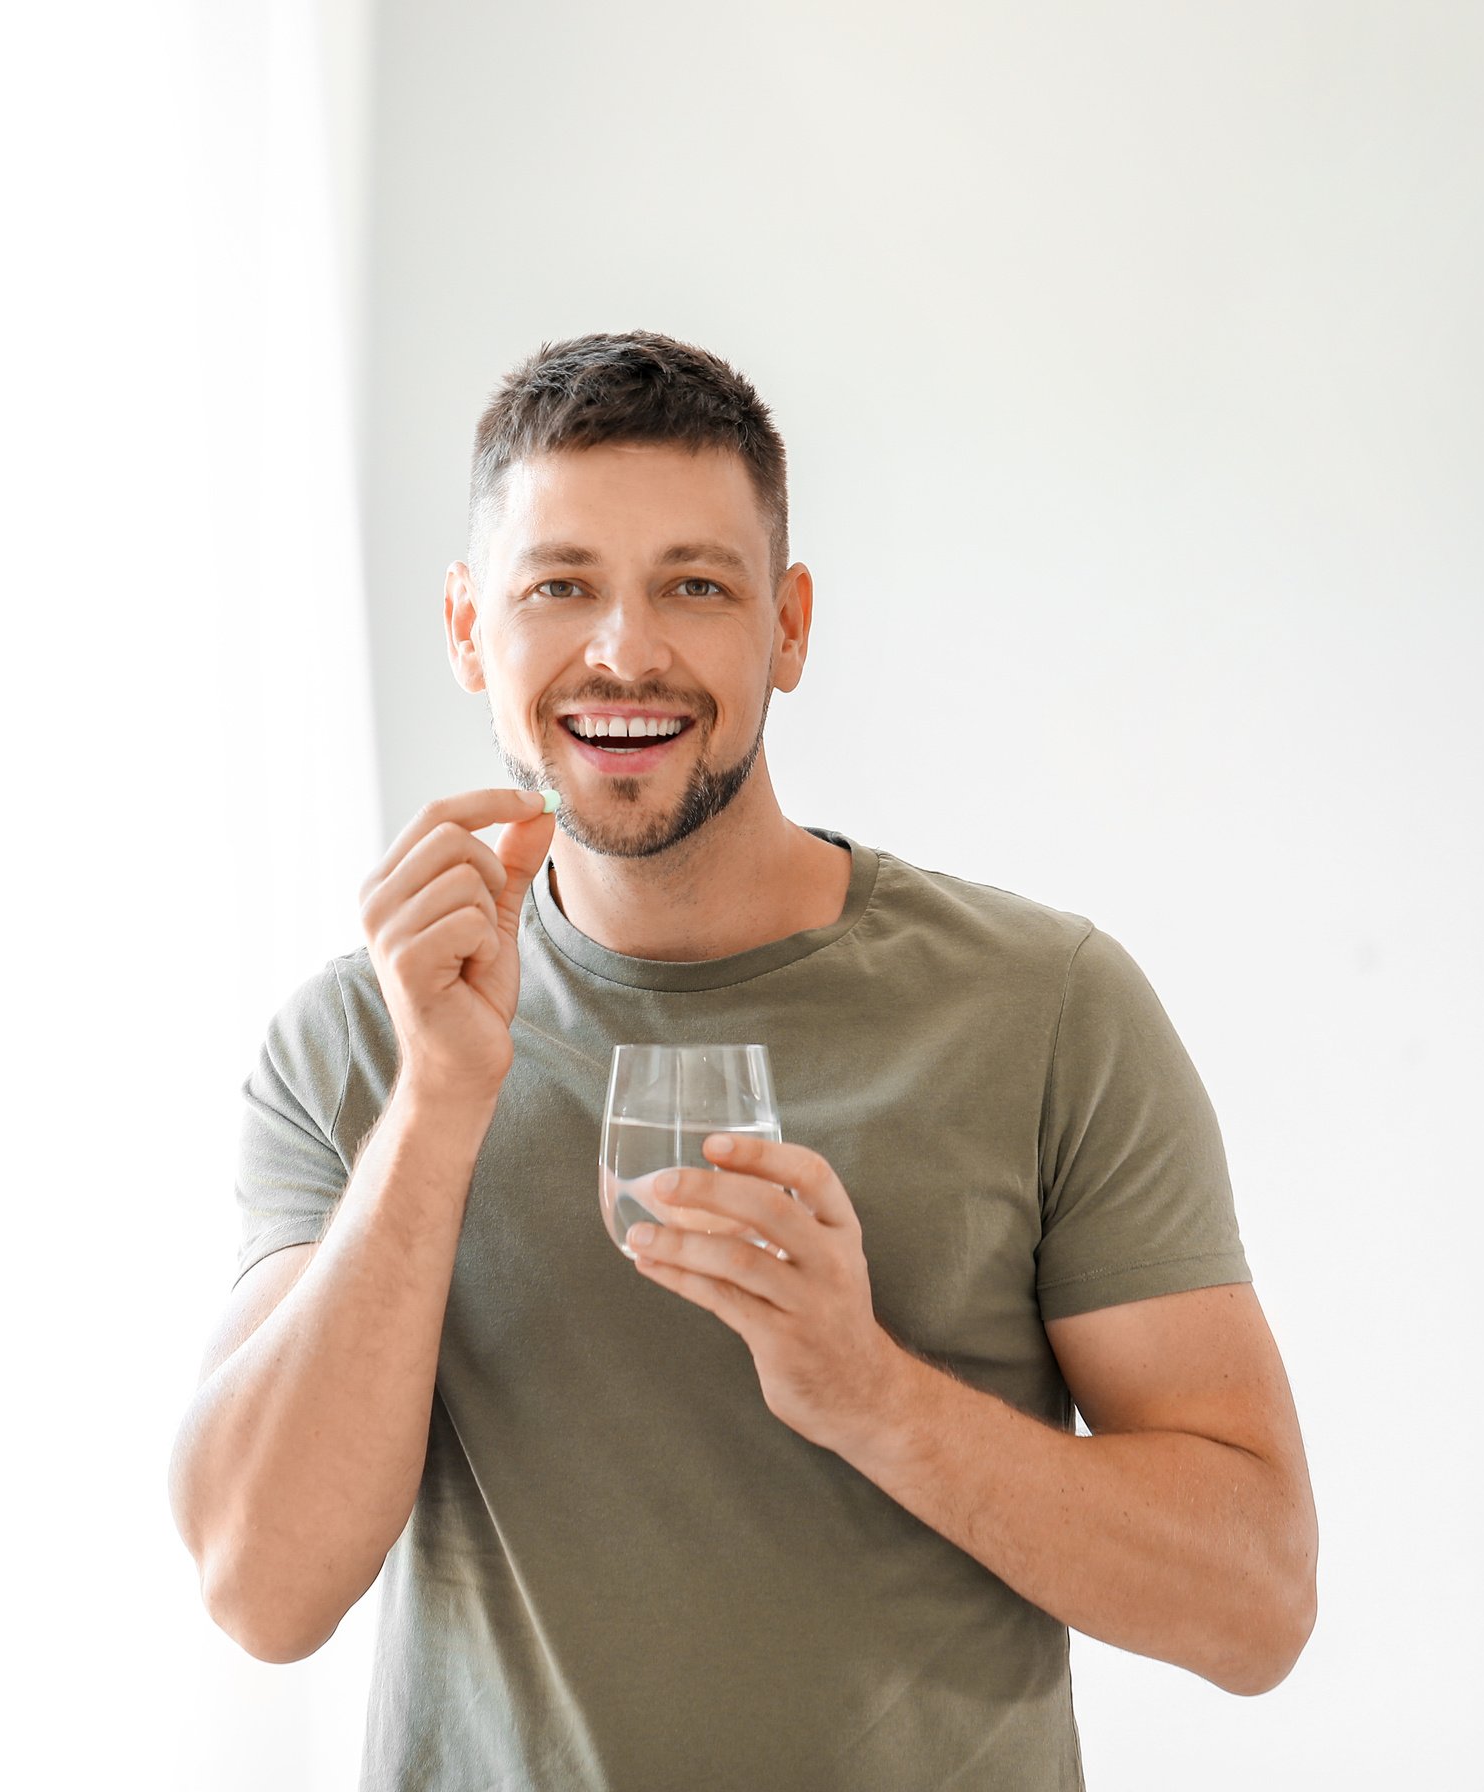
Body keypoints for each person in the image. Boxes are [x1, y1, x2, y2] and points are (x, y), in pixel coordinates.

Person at [165, 332, 1320, 1789]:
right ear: (470, 627)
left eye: (695, 587)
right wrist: (442, 1101)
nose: (626, 651)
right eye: (559, 586)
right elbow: (260, 1591)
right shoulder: (357, 1042)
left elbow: (1257, 1605)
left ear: (789, 625)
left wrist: (869, 1393)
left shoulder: (1049, 1012)